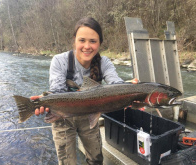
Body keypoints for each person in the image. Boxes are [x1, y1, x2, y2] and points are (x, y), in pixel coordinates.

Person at [31, 17, 138, 165]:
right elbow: (57, 91)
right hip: (63, 117)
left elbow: (116, 83)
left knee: (96, 159)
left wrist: (131, 90)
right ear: (74, 41)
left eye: (93, 41)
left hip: (90, 115)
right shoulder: (59, 60)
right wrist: (44, 102)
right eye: (82, 40)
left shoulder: (104, 63)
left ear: (100, 43)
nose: (87, 46)